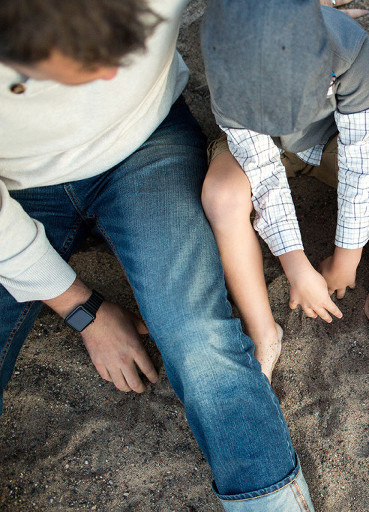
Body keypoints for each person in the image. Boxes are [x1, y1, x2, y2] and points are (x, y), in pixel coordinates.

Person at [0, 0, 333, 509]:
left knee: (195, 330)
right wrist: (82, 311)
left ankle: (268, 498)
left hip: (145, 142)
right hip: (14, 184)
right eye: (84, 65)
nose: (114, 72)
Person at [199, 3, 369, 383]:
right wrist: (296, 266)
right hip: (254, 150)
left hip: (324, 140)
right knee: (222, 194)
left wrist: (347, 257)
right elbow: (263, 170)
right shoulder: (226, 57)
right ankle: (264, 331)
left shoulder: (347, 47)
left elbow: (361, 160)